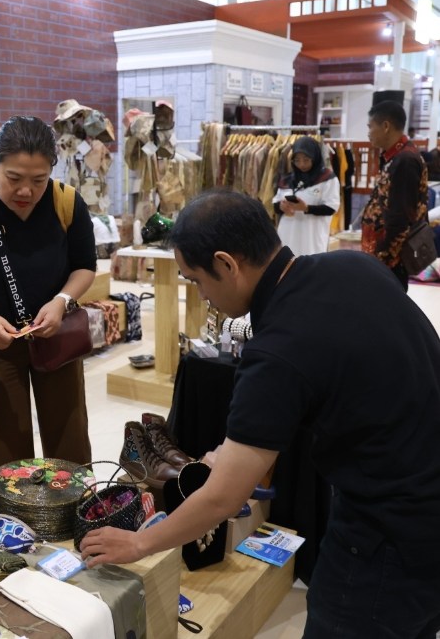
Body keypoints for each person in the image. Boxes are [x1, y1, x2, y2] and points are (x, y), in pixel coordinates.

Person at [80, 191, 440, 638]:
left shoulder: (276, 351)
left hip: (390, 530)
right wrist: (237, 456)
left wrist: (139, 543)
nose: (202, 296)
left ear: (226, 264)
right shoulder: (353, 265)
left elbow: (224, 499)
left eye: (197, 281)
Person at [0, 116, 96, 513]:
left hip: (56, 339)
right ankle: (7, 526)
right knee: (3, 447)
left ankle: (76, 520)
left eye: (39, 180)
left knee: (70, 440)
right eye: (14, 178)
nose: (26, 191)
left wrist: (62, 301)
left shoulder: (66, 203)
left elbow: (85, 267)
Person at [362, 100, 428, 290]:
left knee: (385, 303)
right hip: (384, 257)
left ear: (385, 126)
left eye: (370, 127)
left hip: (391, 260)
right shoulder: (397, 156)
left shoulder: (405, 160)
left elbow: (401, 217)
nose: (368, 133)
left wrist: (382, 257)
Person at [272, 136, 340, 256]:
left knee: (312, 264)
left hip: (312, 238)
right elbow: (275, 205)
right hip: (287, 234)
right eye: (297, 160)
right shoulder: (287, 179)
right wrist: (281, 206)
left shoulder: (327, 178)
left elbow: (331, 208)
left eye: (306, 160)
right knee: (287, 264)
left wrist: (306, 208)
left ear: (314, 157)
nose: (301, 164)